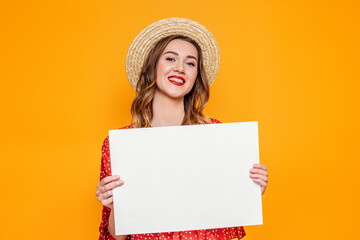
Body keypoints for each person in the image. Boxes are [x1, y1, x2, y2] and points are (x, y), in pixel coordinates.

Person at [96, 18, 268, 240]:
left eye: (190, 63)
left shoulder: (217, 134)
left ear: (196, 76)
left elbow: (227, 214)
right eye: (170, 59)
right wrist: (114, 205)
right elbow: (117, 236)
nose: (179, 68)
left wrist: (250, 188)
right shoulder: (120, 144)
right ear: (152, 67)